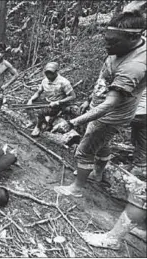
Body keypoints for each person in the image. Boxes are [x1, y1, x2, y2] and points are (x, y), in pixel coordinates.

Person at [52, 7, 146, 198]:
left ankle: (77, 188)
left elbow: (110, 104)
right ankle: (98, 172)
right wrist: (89, 100)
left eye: (113, 42)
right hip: (102, 106)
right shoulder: (126, 46)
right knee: (102, 142)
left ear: (132, 39)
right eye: (107, 39)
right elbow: (104, 80)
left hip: (110, 115)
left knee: (85, 148)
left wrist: (72, 122)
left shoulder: (133, 67)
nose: (107, 45)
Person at [27, 62, 76, 137]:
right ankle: (35, 121)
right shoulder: (44, 81)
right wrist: (31, 99)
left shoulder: (64, 82)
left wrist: (58, 102)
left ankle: (38, 127)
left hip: (58, 104)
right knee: (28, 105)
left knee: (41, 112)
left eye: (51, 73)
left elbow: (72, 96)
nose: (49, 75)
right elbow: (38, 92)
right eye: (47, 73)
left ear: (56, 71)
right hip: (47, 101)